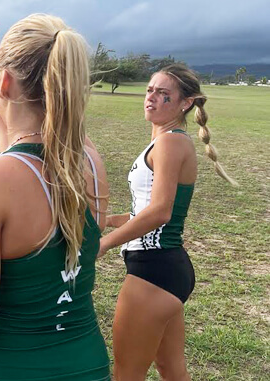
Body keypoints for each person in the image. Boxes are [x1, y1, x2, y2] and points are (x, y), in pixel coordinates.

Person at [0, 14, 112, 380]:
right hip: (87, 364)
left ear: (4, 80)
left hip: (2, 367)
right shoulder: (90, 162)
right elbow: (23, 159)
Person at [98, 63, 237, 380]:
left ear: (185, 103)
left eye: (163, 94)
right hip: (167, 268)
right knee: (171, 369)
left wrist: (104, 243)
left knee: (126, 374)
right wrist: (105, 221)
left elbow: (160, 212)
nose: (151, 98)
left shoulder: (171, 143)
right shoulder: (166, 141)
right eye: (150, 90)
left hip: (154, 269)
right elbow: (148, 212)